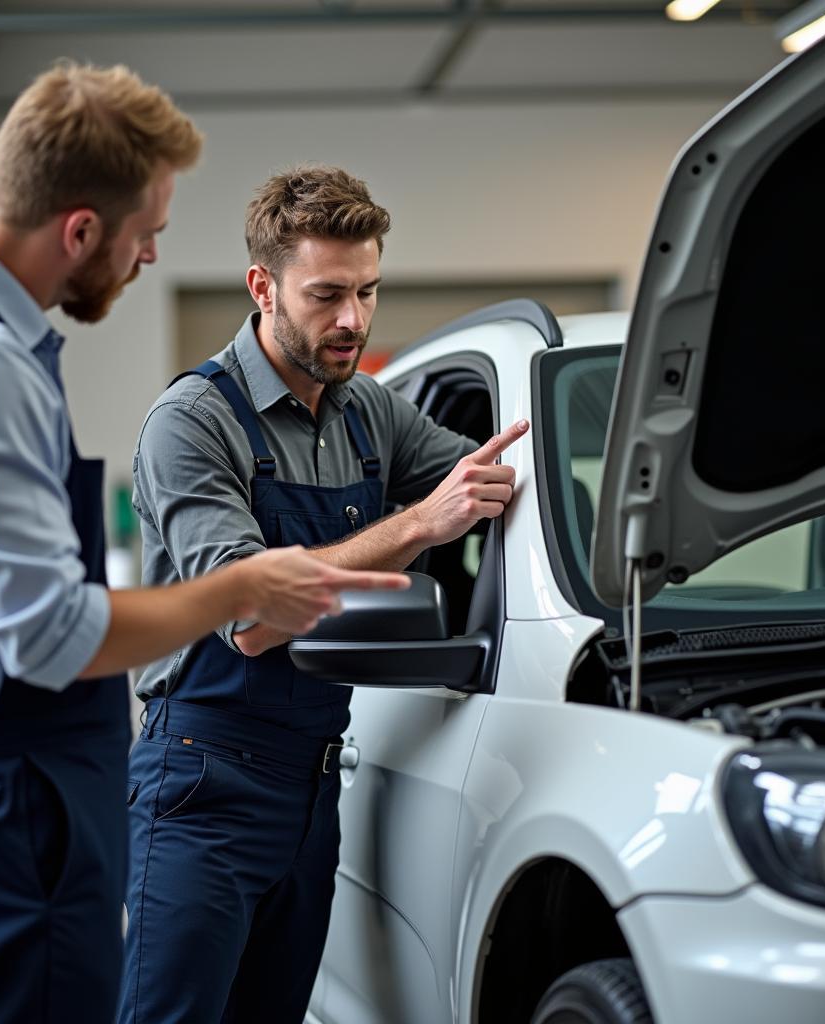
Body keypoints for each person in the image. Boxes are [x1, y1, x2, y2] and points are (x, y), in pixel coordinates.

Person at [0, 68, 407, 1024]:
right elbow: (51, 635)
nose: (149, 257)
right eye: (146, 234)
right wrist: (243, 589)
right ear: (80, 231)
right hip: (0, 800)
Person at [119, 164, 529, 1023]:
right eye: (327, 295)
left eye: (369, 292)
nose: (353, 320)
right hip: (202, 781)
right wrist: (418, 525)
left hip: (313, 790)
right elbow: (253, 620)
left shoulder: (368, 412)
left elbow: (495, 480)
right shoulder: (192, 424)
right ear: (262, 287)